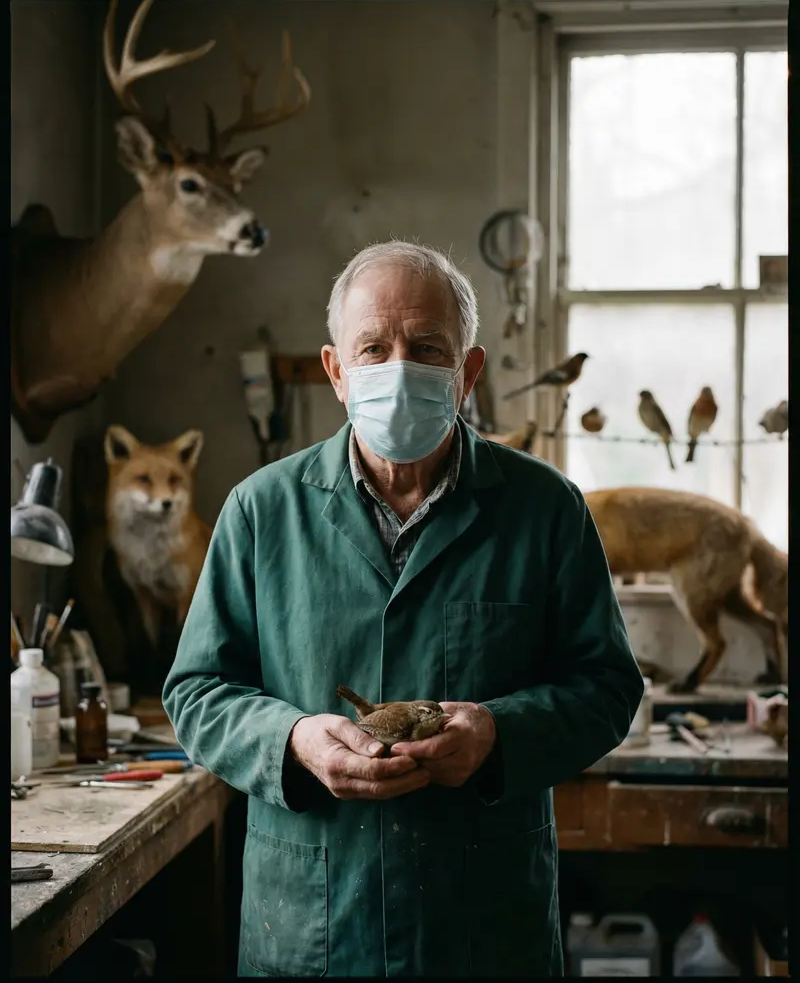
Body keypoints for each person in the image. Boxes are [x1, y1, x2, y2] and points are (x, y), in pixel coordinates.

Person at [163, 240, 644, 978]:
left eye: (426, 348)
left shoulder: (546, 510)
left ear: (467, 373)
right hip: (312, 928)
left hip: (482, 930)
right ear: (336, 372)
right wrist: (293, 739)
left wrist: (499, 731)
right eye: (373, 348)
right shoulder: (260, 510)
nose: (398, 368)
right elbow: (196, 692)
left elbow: (608, 687)